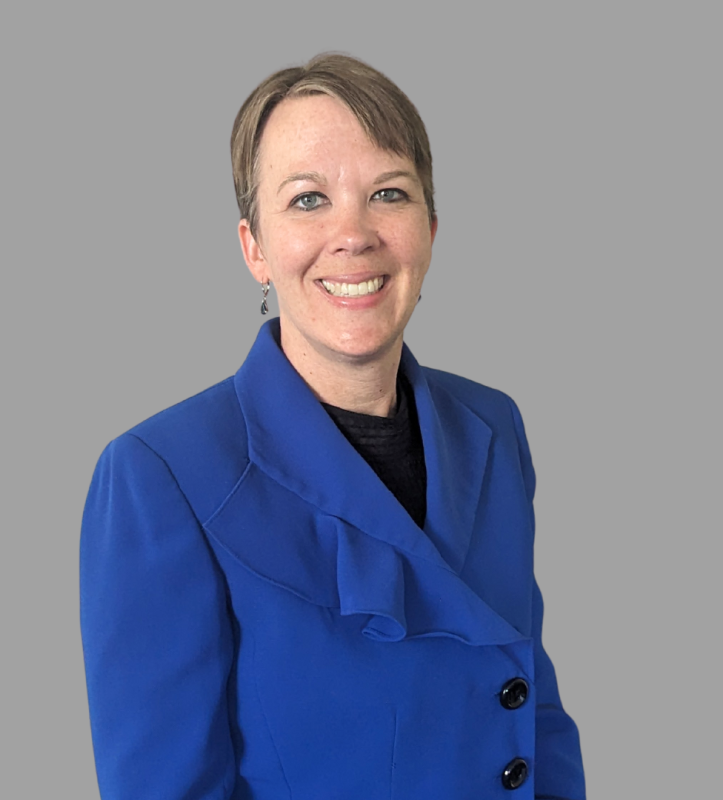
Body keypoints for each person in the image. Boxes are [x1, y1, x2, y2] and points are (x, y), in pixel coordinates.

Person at [80, 53, 586, 799]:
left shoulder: (493, 425)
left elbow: (529, 710)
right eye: (308, 200)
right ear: (254, 248)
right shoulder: (161, 478)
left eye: (388, 193)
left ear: (431, 229)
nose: (354, 234)